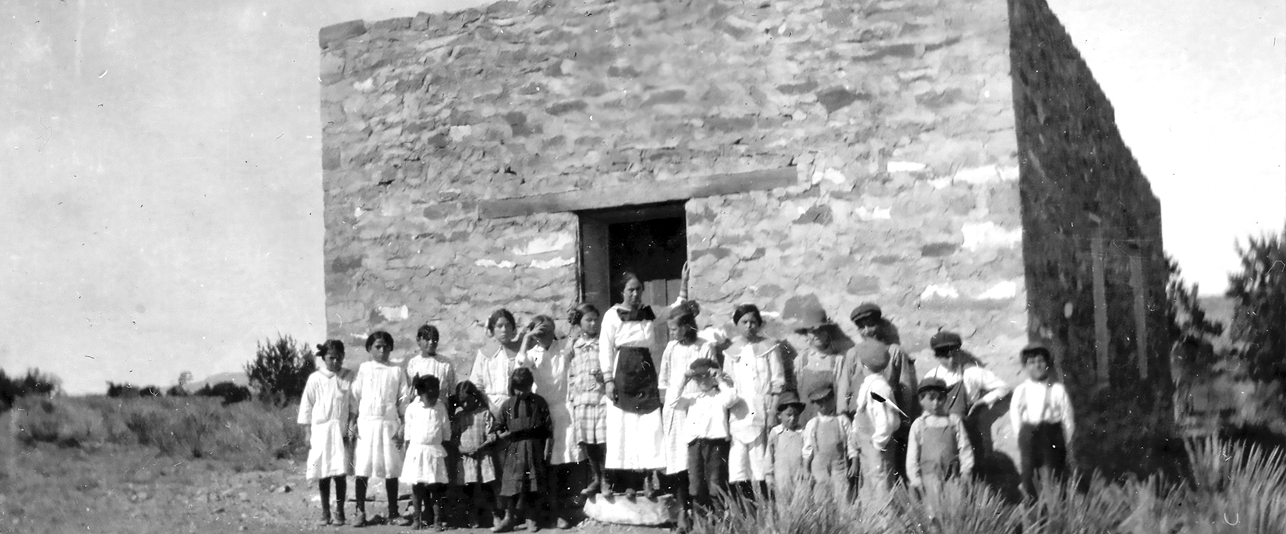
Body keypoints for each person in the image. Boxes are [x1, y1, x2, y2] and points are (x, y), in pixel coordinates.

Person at [598, 272, 666, 497]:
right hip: (623, 371)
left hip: (645, 371)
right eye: (631, 289)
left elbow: (673, 310)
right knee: (625, 426)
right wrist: (608, 380)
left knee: (649, 426)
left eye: (638, 289)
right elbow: (605, 348)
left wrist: (684, 287)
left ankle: (647, 479)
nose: (635, 293)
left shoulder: (648, 312)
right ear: (622, 291)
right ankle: (629, 483)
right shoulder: (612, 315)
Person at [515, 315, 574, 529]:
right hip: (539, 415)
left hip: (562, 412)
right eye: (540, 332)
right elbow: (519, 367)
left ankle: (560, 513)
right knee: (539, 467)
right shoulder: (531, 354)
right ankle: (538, 516)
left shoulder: (563, 348)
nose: (544, 335)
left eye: (547, 330)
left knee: (559, 466)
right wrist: (527, 338)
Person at [724, 304, 787, 496]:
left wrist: (773, 411)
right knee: (739, 464)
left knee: (761, 461)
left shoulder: (769, 348)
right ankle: (743, 511)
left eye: (753, 322)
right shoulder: (731, 352)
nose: (749, 326)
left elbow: (778, 381)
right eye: (744, 322)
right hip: (740, 411)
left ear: (759, 324)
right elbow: (727, 384)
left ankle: (764, 508)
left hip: (763, 409)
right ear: (737, 324)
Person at [658, 300, 716, 504]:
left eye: (674, 329)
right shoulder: (671, 349)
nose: (672, 334)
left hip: (698, 409)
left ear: (686, 326)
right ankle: (683, 508)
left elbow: (712, 379)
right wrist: (668, 411)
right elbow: (664, 382)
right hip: (676, 411)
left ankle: (702, 508)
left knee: (698, 459)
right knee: (679, 460)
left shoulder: (705, 347)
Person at [352, 331, 412, 526]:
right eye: (377, 346)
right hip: (367, 424)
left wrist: (403, 424)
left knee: (391, 468)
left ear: (391, 348)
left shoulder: (396, 370)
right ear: (369, 349)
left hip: (389, 423)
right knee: (363, 467)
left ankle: (393, 512)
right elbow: (355, 397)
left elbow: (403, 399)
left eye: (386, 346)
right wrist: (352, 421)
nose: (382, 350)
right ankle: (360, 511)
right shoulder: (364, 369)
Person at [668, 358, 738, 526]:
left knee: (716, 484)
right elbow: (672, 402)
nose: (703, 381)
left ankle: (719, 525)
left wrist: (720, 379)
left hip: (716, 445)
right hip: (695, 445)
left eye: (707, 377)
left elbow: (731, 399)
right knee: (696, 485)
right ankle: (701, 525)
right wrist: (684, 379)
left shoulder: (721, 396)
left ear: (713, 377)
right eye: (698, 378)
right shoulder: (692, 398)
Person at [922, 331, 1010, 456]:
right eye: (946, 357)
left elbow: (1003, 387)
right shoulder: (931, 376)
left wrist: (982, 402)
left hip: (967, 434)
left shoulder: (972, 373)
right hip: (940, 435)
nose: (951, 360)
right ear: (937, 356)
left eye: (954, 354)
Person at [298, 340, 355, 526]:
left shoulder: (348, 377)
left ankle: (340, 512)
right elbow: (306, 406)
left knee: (340, 473)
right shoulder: (316, 378)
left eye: (339, 357)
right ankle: (325, 512)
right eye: (332, 358)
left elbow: (353, 404)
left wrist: (352, 424)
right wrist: (307, 432)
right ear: (324, 358)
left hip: (340, 431)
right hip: (321, 431)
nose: (336, 361)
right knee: (323, 472)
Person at [1010, 342, 1075, 499]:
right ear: (1026, 366)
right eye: (1031, 362)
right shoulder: (1021, 391)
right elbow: (1015, 418)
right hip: (1029, 439)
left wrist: (1062, 442)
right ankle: (1034, 516)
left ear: (1047, 364)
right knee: (1029, 479)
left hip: (1052, 438)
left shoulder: (1057, 390)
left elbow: (1068, 420)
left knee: (1054, 479)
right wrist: (1024, 437)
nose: (1037, 366)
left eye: (1040, 361)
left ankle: (1056, 515)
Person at [493, 367, 553, 533]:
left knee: (533, 487)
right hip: (514, 450)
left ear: (530, 385)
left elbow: (548, 429)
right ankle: (508, 518)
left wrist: (547, 451)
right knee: (513, 486)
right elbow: (498, 426)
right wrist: (504, 434)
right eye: (517, 389)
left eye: (524, 389)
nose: (520, 392)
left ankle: (531, 518)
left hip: (534, 448)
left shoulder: (539, 402)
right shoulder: (507, 405)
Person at [564, 303, 608, 496]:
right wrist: (573, 395)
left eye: (595, 320)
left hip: (600, 397)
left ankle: (606, 479)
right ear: (579, 323)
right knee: (588, 442)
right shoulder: (574, 346)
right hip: (582, 399)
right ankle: (596, 478)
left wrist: (604, 377)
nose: (593, 324)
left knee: (602, 440)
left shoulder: (603, 343)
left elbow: (610, 366)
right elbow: (569, 372)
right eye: (588, 320)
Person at [849, 303, 918, 418]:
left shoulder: (895, 351)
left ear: (879, 325)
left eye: (871, 325)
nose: (867, 331)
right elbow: (844, 387)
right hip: (860, 417)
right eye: (861, 327)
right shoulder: (853, 353)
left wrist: (906, 418)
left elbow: (905, 388)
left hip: (887, 414)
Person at [790, 305, 857, 423]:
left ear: (827, 332)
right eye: (812, 331)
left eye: (821, 331)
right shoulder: (801, 361)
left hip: (829, 420)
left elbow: (842, 394)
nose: (817, 335)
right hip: (805, 418)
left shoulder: (837, 361)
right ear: (806, 334)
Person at [905, 377, 973, 491]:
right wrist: (916, 480)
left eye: (940, 399)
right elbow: (912, 456)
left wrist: (966, 471)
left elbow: (965, 448)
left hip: (953, 480)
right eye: (931, 399)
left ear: (945, 398)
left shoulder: (954, 421)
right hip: (928, 481)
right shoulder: (919, 425)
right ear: (921, 400)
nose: (935, 403)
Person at [852, 341, 903, 491]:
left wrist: (878, 444)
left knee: (881, 485)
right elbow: (860, 411)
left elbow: (887, 421)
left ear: (863, 364)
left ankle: (883, 515)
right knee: (868, 485)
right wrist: (856, 432)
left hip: (878, 448)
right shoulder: (868, 384)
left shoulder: (880, 387)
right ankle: (870, 514)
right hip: (866, 446)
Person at [401, 375, 451, 531]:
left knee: (435, 488)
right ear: (420, 393)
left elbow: (445, 430)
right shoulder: (412, 408)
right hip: (417, 452)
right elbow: (408, 433)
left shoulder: (440, 407)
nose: (434, 396)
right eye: (430, 393)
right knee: (417, 488)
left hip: (434, 451)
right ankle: (417, 519)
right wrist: (409, 454)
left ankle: (437, 521)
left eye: (436, 392)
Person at [450, 381, 500, 529]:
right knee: (468, 490)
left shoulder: (484, 413)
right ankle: (472, 516)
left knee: (488, 487)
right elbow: (453, 438)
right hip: (466, 458)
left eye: (467, 401)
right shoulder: (459, 417)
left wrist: (484, 444)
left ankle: (495, 515)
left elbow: (491, 435)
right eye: (462, 402)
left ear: (475, 397)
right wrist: (461, 449)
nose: (465, 405)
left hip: (483, 456)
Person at [801, 384, 857, 500]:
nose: (823, 405)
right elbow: (807, 449)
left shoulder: (842, 421)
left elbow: (851, 444)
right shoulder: (812, 424)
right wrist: (806, 469)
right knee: (820, 498)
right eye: (818, 402)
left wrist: (854, 462)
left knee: (842, 496)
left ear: (833, 400)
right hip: (819, 468)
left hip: (839, 466)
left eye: (826, 400)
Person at [471, 309, 523, 417]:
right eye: (499, 326)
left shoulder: (519, 353)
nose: (504, 330)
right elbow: (476, 386)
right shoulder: (483, 354)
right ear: (493, 329)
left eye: (508, 325)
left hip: (514, 408)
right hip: (488, 408)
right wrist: (491, 407)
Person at [765, 391, 808, 499]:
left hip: (798, 476)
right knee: (782, 505)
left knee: (799, 505)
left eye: (796, 415)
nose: (792, 418)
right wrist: (768, 475)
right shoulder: (776, 432)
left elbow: (806, 453)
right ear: (779, 415)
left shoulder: (802, 432)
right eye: (789, 415)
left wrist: (805, 468)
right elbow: (769, 455)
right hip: (781, 476)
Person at [406, 324, 456, 405]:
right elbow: (409, 390)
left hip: (440, 408)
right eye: (427, 339)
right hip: (419, 408)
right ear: (418, 340)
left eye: (434, 339)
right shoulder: (413, 363)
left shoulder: (445, 364)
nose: (431, 342)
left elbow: (452, 390)